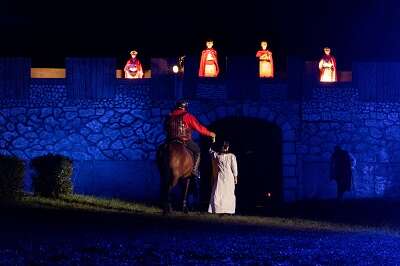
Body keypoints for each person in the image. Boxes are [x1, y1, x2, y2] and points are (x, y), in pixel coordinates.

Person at [164, 99, 216, 178]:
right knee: (197, 151)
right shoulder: (187, 116)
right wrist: (210, 133)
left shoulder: (169, 115)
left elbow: (165, 127)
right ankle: (194, 170)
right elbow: (199, 128)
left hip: (170, 140)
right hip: (184, 140)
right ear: (185, 107)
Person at [208, 141, 238, 215]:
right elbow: (234, 167)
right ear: (227, 147)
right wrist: (235, 176)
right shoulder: (231, 156)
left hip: (220, 177)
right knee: (228, 193)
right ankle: (228, 210)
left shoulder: (217, 155)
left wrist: (213, 142)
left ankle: (218, 209)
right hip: (229, 177)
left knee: (218, 193)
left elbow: (210, 151)